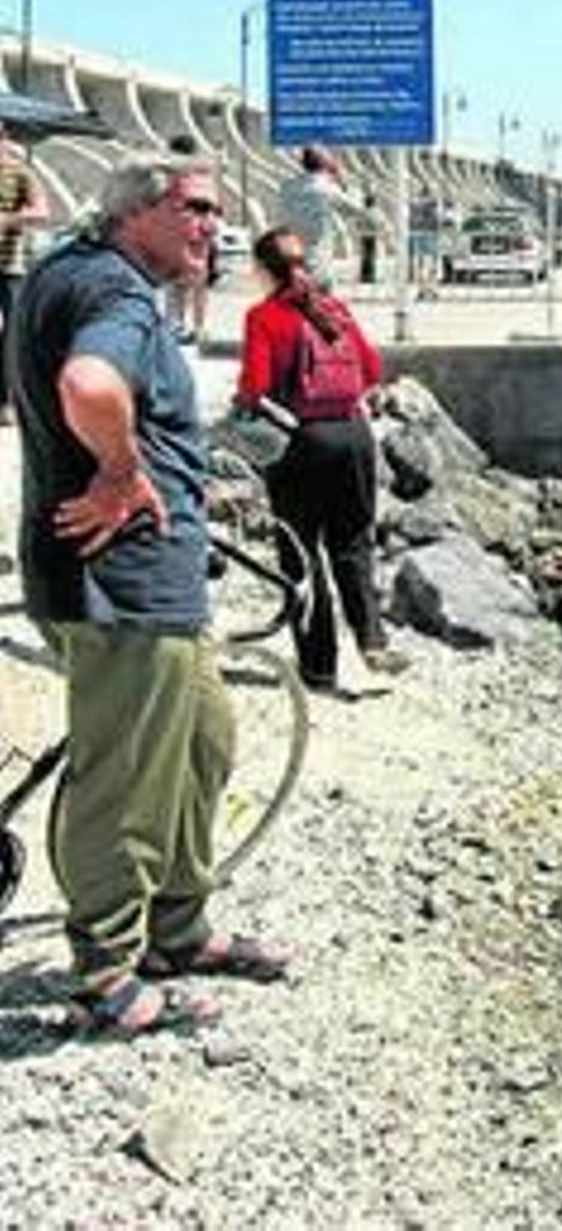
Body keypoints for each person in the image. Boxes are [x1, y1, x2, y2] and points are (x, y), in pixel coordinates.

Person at [9, 150, 288, 1038]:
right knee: (127, 777)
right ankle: (107, 972)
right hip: (121, 580)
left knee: (203, 740)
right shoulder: (117, 293)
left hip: (138, 582)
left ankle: (178, 927)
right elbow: (89, 385)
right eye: (196, 208)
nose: (214, 226)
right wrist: (123, 473)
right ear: (136, 212)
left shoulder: (69, 272)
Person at [237, 228, 404, 692]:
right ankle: (372, 640)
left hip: (301, 442)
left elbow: (255, 386)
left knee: (301, 554)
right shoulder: (335, 309)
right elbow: (371, 370)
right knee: (353, 543)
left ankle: (319, 668)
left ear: (262, 270)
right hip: (355, 437)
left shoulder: (264, 317)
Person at [0, 120, 52, 424]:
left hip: (10, 266)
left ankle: (6, 400)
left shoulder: (20, 172)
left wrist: (7, 219)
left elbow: (42, 211)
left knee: (12, 336)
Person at [164, 131, 217, 344]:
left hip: (176, 228)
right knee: (198, 282)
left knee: (175, 281)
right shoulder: (201, 174)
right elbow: (211, 205)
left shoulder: (167, 174)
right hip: (198, 231)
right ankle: (199, 327)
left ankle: (174, 324)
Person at [275, 146, 352, 287]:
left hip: (291, 262)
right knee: (321, 304)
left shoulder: (287, 187)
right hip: (318, 265)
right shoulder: (327, 188)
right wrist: (342, 181)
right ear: (324, 164)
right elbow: (355, 209)